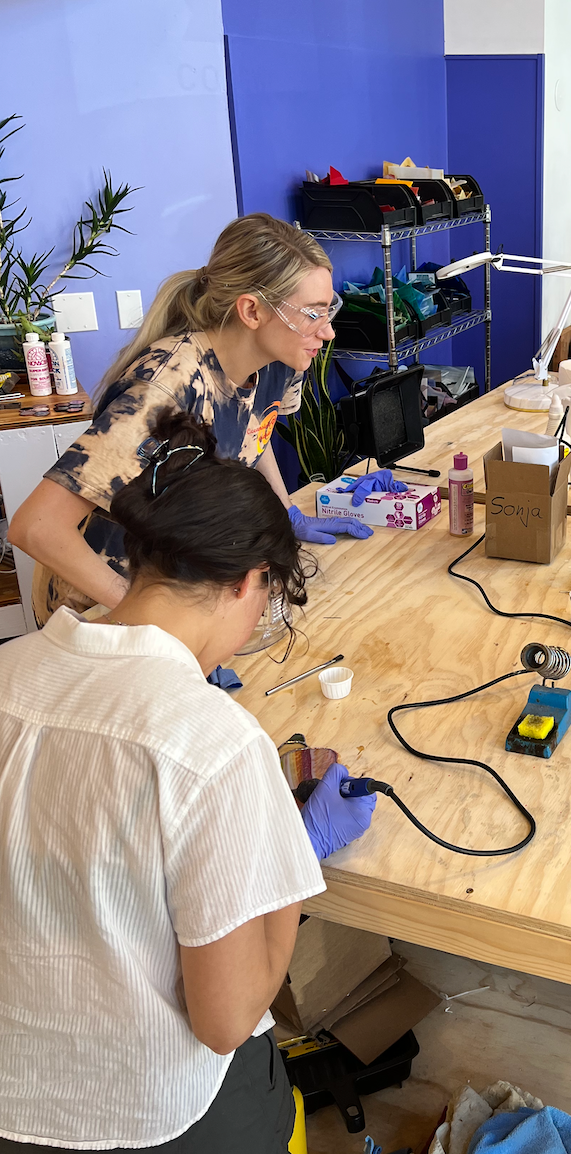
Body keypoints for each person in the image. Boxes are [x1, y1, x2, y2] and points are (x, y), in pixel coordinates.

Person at [0, 409, 376, 1152]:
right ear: (251, 583)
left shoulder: (9, 666)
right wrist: (287, 861)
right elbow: (225, 1020)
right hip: (149, 1112)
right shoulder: (211, 742)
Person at [10, 213, 405, 624]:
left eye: (329, 310)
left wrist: (286, 510)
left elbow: (255, 426)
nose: (327, 332)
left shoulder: (280, 358)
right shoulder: (165, 392)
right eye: (312, 313)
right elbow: (36, 527)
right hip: (96, 599)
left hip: (173, 580)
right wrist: (142, 613)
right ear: (252, 311)